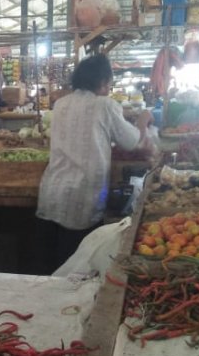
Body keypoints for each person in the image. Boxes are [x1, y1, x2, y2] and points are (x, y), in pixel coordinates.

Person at [35, 53, 153, 274]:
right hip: (82, 194)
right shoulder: (104, 105)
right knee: (76, 265)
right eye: (109, 83)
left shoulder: (61, 103)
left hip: (53, 189)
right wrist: (143, 122)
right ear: (101, 82)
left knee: (50, 263)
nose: (109, 89)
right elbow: (132, 142)